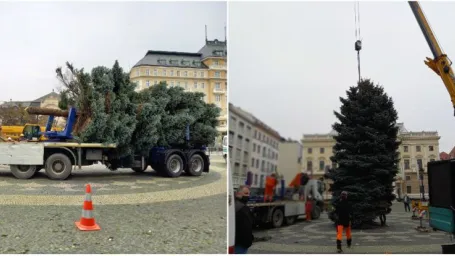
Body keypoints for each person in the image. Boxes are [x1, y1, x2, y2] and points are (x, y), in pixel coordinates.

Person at [235, 185, 254, 254]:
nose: (248, 196)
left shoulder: (237, 205)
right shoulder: (241, 208)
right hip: (240, 245)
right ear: (238, 194)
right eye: (246, 193)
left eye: (249, 194)